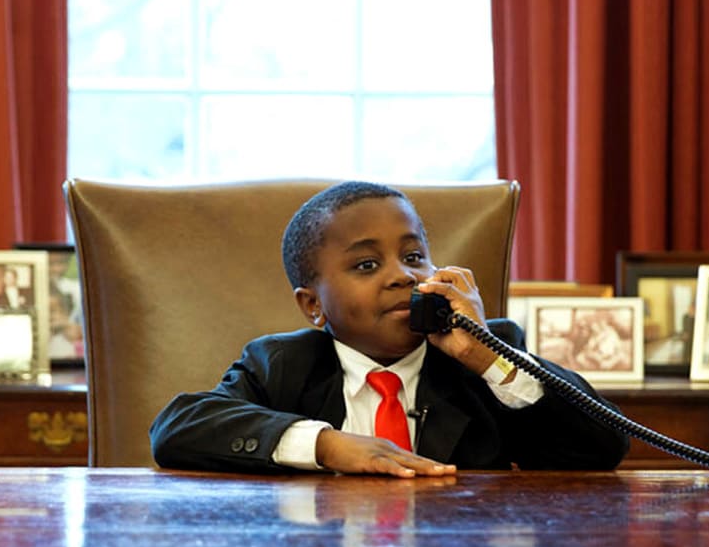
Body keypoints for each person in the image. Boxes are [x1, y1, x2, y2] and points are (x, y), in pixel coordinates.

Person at [150, 181, 630, 476]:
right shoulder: (282, 364)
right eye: (365, 264)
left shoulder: (484, 360)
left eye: (415, 256)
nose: (404, 275)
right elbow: (177, 427)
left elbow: (603, 447)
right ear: (313, 305)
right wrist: (326, 444)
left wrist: (487, 358)